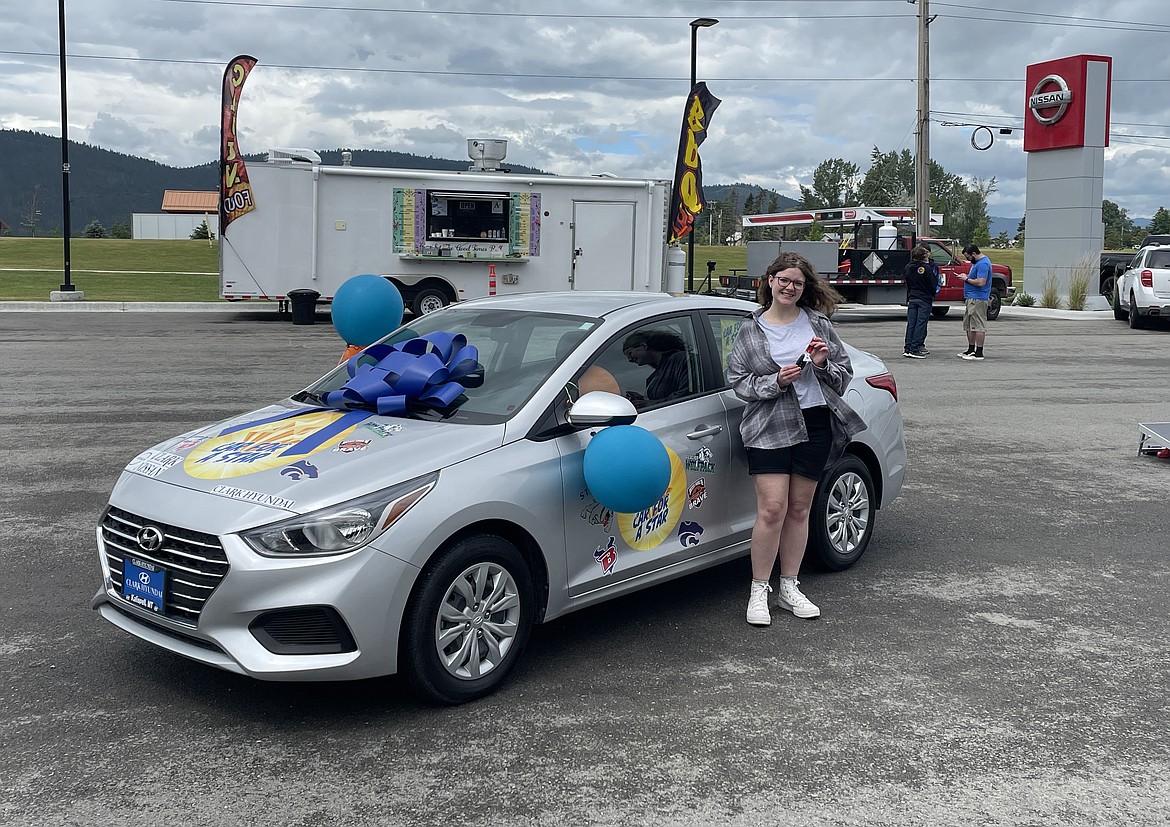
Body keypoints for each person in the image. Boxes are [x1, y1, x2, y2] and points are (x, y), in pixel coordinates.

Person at [727, 251, 866, 627]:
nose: (789, 287)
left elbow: (844, 373)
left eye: (797, 283)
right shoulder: (749, 329)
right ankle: (759, 590)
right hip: (768, 425)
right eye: (783, 280)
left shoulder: (817, 323)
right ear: (769, 281)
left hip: (815, 423)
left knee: (800, 509)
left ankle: (790, 586)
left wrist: (820, 364)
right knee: (772, 509)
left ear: (804, 289)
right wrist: (776, 382)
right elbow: (738, 381)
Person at [622, 329, 691, 406]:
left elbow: (685, 396)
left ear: (644, 346)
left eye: (630, 353)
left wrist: (648, 404)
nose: (630, 360)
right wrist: (642, 399)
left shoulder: (681, 359)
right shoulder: (653, 377)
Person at [902, 244, 939, 359]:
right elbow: (932, 283)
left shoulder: (908, 267)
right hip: (924, 298)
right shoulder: (926, 268)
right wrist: (932, 294)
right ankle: (915, 348)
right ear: (923, 256)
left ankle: (907, 347)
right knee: (920, 324)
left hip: (913, 297)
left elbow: (907, 282)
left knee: (911, 324)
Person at [958, 244, 993, 361]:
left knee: (978, 325)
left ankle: (979, 352)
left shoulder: (983, 264)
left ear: (974, 254)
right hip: (971, 297)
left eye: (968, 257)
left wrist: (966, 279)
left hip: (978, 298)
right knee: (969, 325)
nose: (968, 260)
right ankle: (971, 349)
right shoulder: (977, 263)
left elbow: (981, 282)